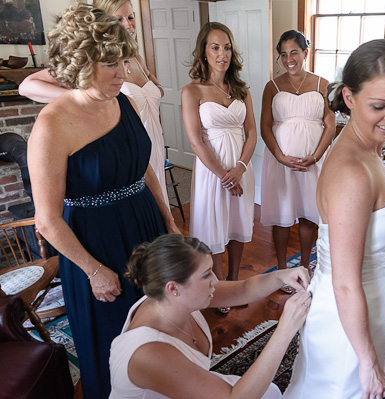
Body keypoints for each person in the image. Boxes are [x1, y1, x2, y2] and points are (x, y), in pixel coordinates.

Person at [27, 4, 179, 398]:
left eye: (124, 61)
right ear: (81, 61)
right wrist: (94, 270)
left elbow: (142, 166)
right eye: (111, 64)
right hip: (96, 245)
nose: (124, 73)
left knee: (158, 327)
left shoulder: (122, 102)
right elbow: (46, 220)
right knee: (114, 340)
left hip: (144, 227)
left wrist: (167, 217)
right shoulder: (52, 125)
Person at [282, 39, 385, 399]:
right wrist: (367, 359)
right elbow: (344, 282)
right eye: (379, 105)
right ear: (349, 98)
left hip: (370, 301)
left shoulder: (369, 148)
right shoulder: (351, 172)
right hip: (346, 315)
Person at [109, 234, 312, 399]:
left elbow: (243, 289)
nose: (215, 279)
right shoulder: (148, 353)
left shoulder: (171, 299)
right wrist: (285, 330)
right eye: (206, 274)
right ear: (173, 288)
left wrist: (281, 276)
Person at [19, 0, 170, 206]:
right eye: (119, 19)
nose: (128, 25)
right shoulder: (89, 60)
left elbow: (156, 89)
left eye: (131, 17)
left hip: (146, 139)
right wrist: (81, 95)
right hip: (116, 144)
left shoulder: (136, 60)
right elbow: (27, 85)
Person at [182, 22, 257, 313]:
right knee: (216, 228)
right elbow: (197, 141)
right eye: (215, 47)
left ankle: (235, 281)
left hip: (240, 167)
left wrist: (239, 168)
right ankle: (218, 288)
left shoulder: (242, 90)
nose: (222, 54)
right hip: (211, 171)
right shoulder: (192, 91)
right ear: (203, 51)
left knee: (237, 224)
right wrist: (224, 175)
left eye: (226, 47)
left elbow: (251, 133)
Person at [260, 30, 335, 284]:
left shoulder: (322, 85)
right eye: (283, 54)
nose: (289, 59)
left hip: (312, 163)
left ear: (305, 52)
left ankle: (304, 266)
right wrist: (280, 156)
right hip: (280, 162)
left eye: (294, 52)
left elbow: (330, 125)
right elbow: (264, 127)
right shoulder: (272, 87)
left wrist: (315, 156)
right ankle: (282, 269)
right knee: (282, 214)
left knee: (308, 214)